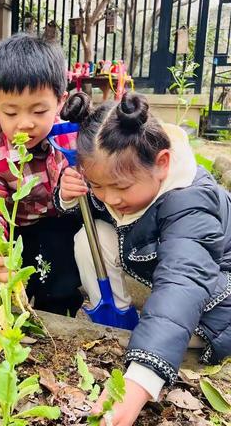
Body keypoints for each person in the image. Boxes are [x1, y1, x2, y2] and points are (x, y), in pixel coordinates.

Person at [58, 92, 231, 425]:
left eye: (120, 187)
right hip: (157, 272)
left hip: (216, 296)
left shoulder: (191, 202)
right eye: (96, 185)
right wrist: (68, 195)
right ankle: (118, 322)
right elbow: (98, 201)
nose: (110, 198)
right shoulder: (119, 181)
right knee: (90, 235)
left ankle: (151, 346)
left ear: (162, 163)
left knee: (175, 313)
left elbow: (183, 281)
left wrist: (141, 378)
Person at [0, 34, 84, 316]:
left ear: (60, 101)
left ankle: (60, 308)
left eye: (39, 110)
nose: (25, 123)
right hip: (19, 228)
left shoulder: (73, 135)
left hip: (64, 221)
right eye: (11, 112)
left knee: (61, 274)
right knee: (17, 269)